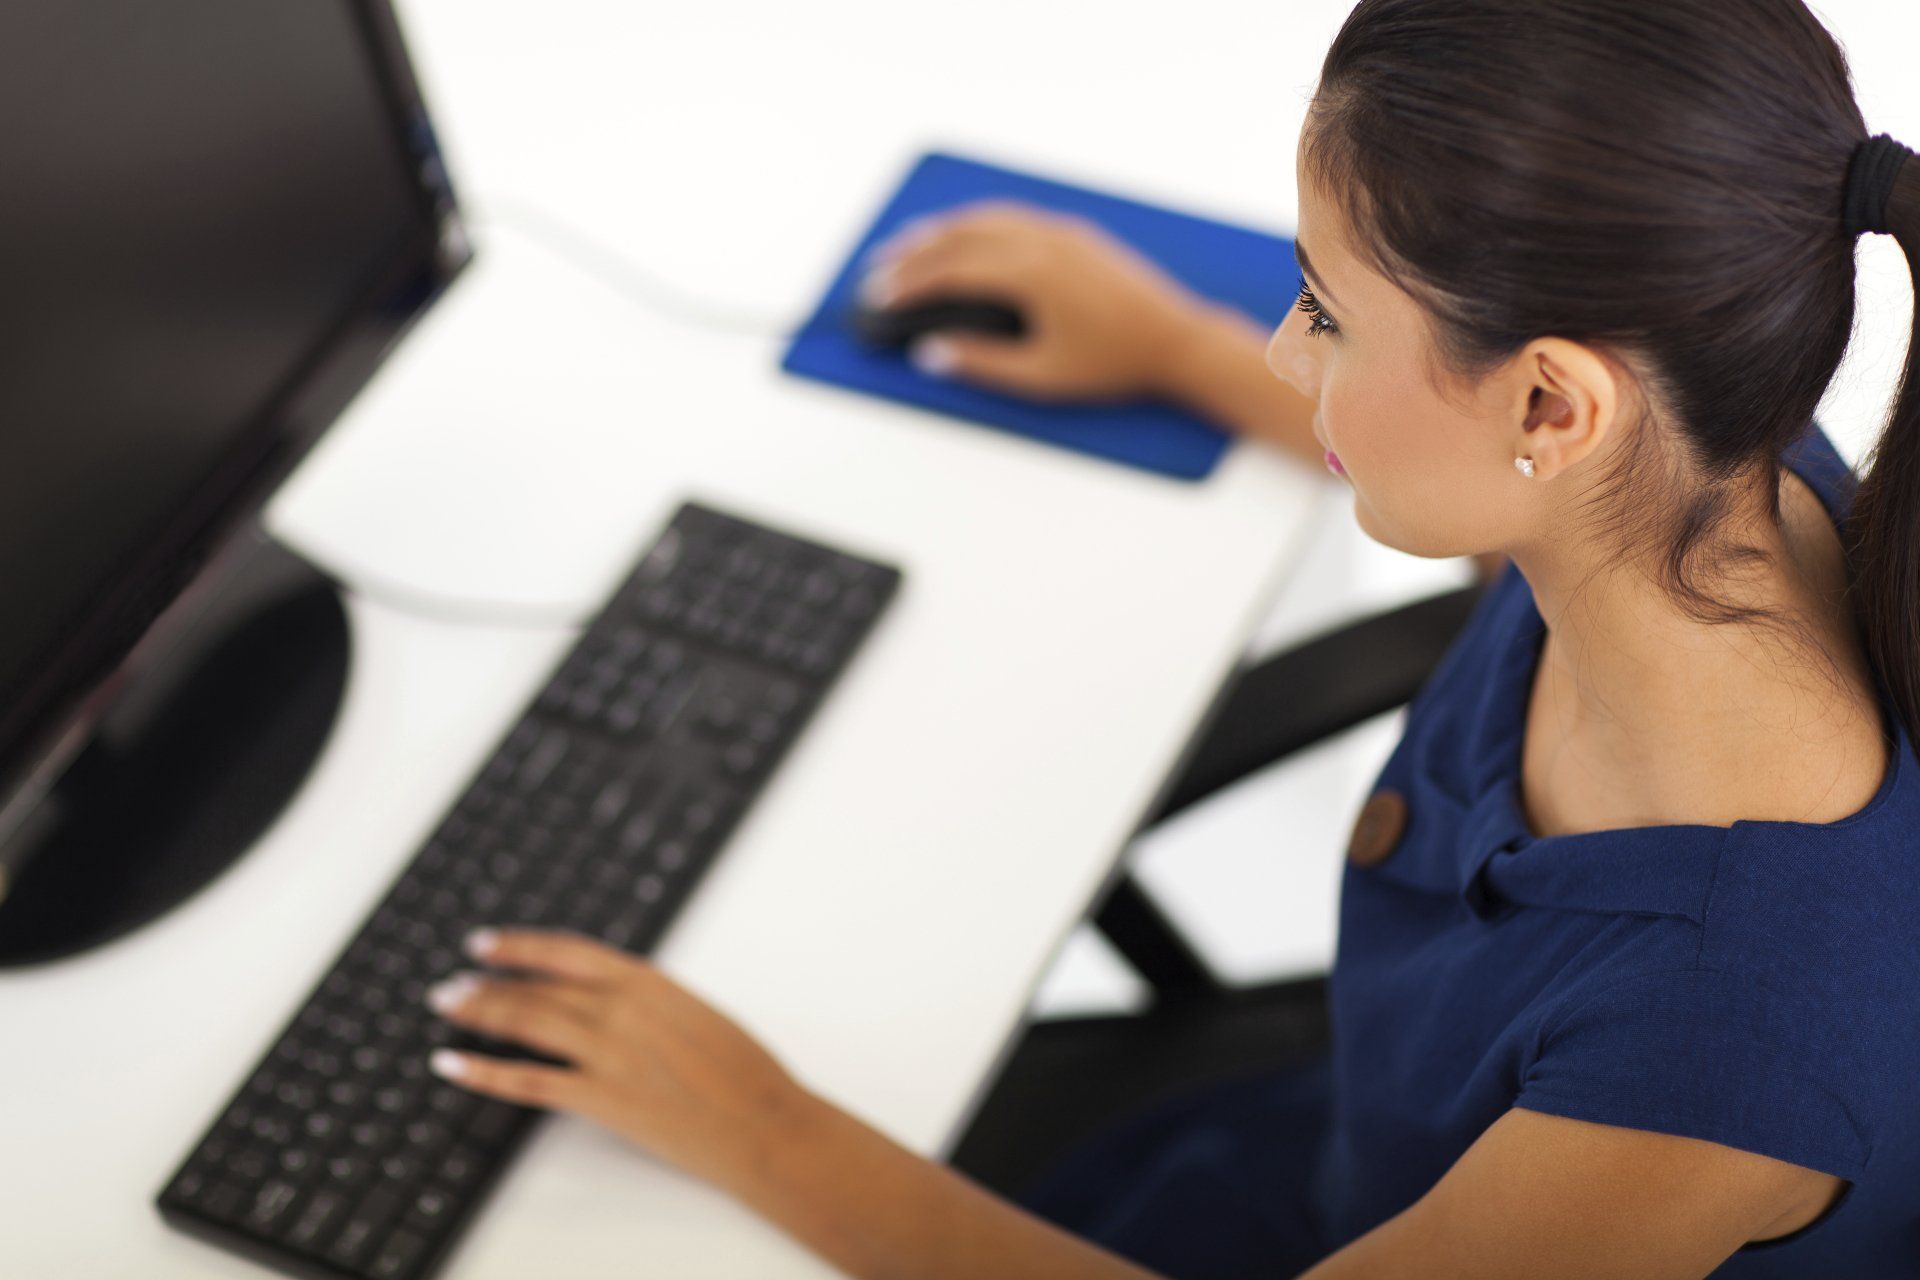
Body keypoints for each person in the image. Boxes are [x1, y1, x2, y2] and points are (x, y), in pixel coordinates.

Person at [413, 1, 1920, 1275]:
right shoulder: (1719, 500)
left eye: (1325, 312)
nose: (1285, 346)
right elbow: (1502, 478)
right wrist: (1164, 346)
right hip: (1334, 1143)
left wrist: (759, 1127)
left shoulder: (1726, 1061)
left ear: (1549, 405)